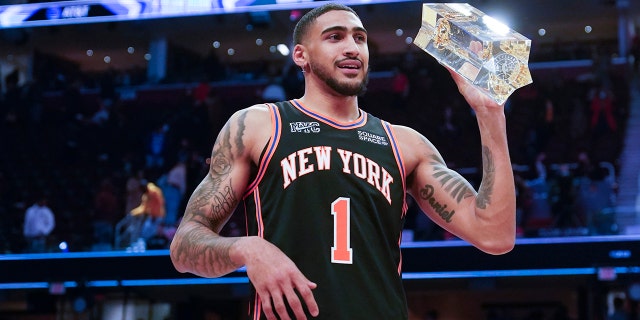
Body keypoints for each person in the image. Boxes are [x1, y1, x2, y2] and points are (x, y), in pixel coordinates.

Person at [170, 3, 516, 320]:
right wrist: (247, 248)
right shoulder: (259, 125)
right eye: (335, 37)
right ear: (301, 55)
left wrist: (490, 114)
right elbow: (184, 246)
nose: (352, 47)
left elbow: (494, 236)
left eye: (360, 38)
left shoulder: (404, 143)